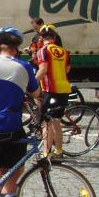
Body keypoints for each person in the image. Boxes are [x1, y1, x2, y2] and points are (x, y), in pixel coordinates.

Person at [0, 26, 41, 194]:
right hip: (9, 128)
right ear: (17, 48)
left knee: (4, 168)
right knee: (16, 170)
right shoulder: (23, 66)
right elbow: (36, 93)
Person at [35, 25, 71, 157]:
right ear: (54, 38)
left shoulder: (43, 50)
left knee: (46, 122)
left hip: (50, 90)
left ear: (41, 38)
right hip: (64, 88)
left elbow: (43, 69)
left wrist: (31, 83)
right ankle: (59, 150)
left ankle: (46, 152)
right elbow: (67, 70)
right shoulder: (64, 51)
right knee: (57, 121)